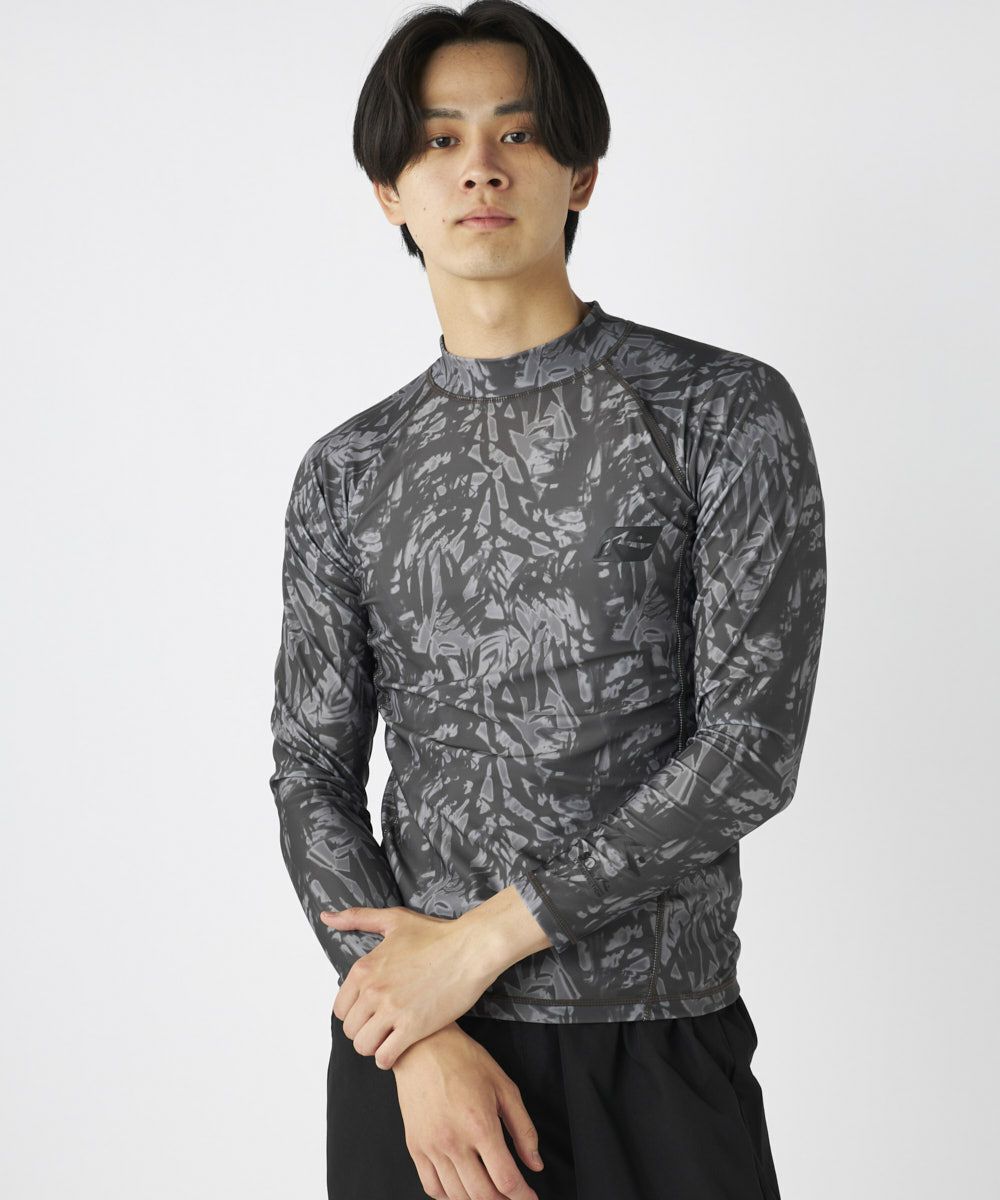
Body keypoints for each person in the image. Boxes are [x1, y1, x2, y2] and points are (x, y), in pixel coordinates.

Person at [267, 3, 826, 1198]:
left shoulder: (719, 413)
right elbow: (310, 769)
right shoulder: (348, 471)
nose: (479, 166)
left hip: (654, 1040)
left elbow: (748, 751)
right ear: (389, 192)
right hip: (421, 1069)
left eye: (516, 134)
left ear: (580, 174)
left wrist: (475, 947)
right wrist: (412, 1031)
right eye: (438, 140)